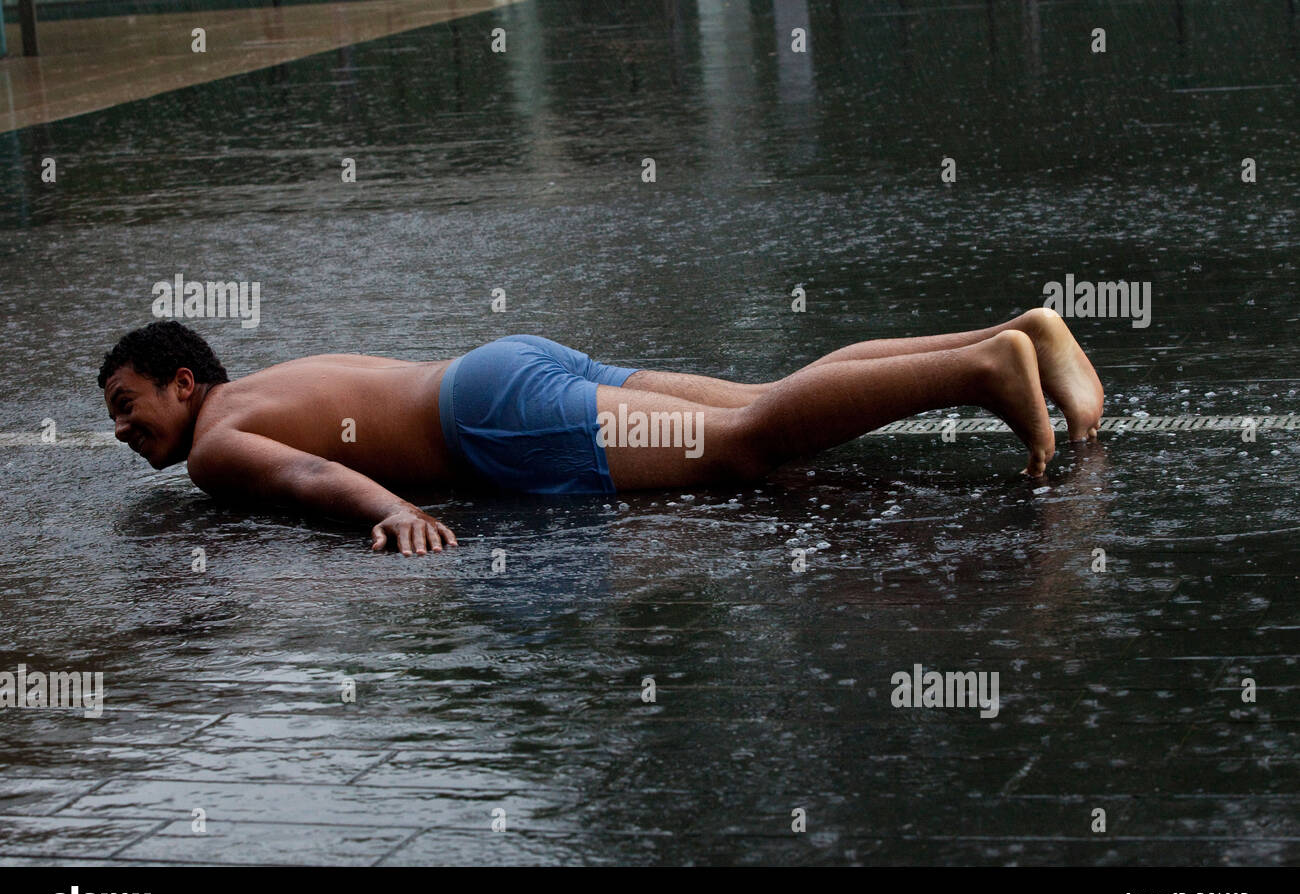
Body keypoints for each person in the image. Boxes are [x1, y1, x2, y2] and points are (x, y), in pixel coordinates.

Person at [98, 311, 1103, 556]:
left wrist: (395, 511)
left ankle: (981, 370)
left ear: (185, 382)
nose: (119, 425)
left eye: (126, 400)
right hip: (509, 367)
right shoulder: (258, 388)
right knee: (766, 398)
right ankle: (1018, 331)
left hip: (497, 419)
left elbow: (313, 475)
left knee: (748, 439)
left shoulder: (220, 441)